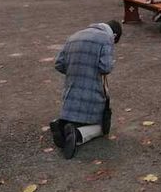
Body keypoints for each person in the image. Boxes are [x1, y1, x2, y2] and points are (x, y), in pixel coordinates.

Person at [50, 21, 122, 160]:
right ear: (114, 35)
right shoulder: (106, 39)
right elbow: (105, 68)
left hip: (70, 95)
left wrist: (76, 71)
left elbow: (59, 63)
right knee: (101, 128)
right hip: (92, 94)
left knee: (74, 117)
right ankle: (77, 134)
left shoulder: (74, 36)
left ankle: (61, 124)